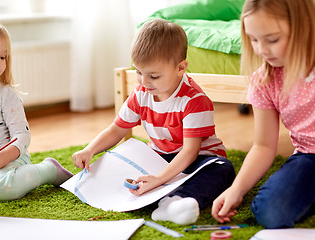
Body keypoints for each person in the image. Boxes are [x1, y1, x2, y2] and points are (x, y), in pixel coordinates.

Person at [72, 18, 235, 225]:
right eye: (138, 72)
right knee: (122, 160)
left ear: (181, 68)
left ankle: (178, 201)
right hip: (159, 158)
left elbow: (190, 151)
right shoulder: (141, 93)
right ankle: (162, 191)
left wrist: (159, 179)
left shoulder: (195, 101)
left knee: (223, 169)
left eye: (154, 76)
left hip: (198, 159)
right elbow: (116, 130)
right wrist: (90, 149)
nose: (143, 81)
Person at [212, 0, 315, 229]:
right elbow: (264, 146)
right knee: (270, 211)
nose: (261, 50)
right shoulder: (265, 80)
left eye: (272, 40)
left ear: (304, 26)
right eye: (254, 39)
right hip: (310, 156)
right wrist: (236, 190)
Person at [0, 19, 73, 201]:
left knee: (1, 190)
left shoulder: (4, 94)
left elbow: (22, 135)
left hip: (11, 160)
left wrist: (5, 156)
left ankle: (49, 170)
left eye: (3, 57)